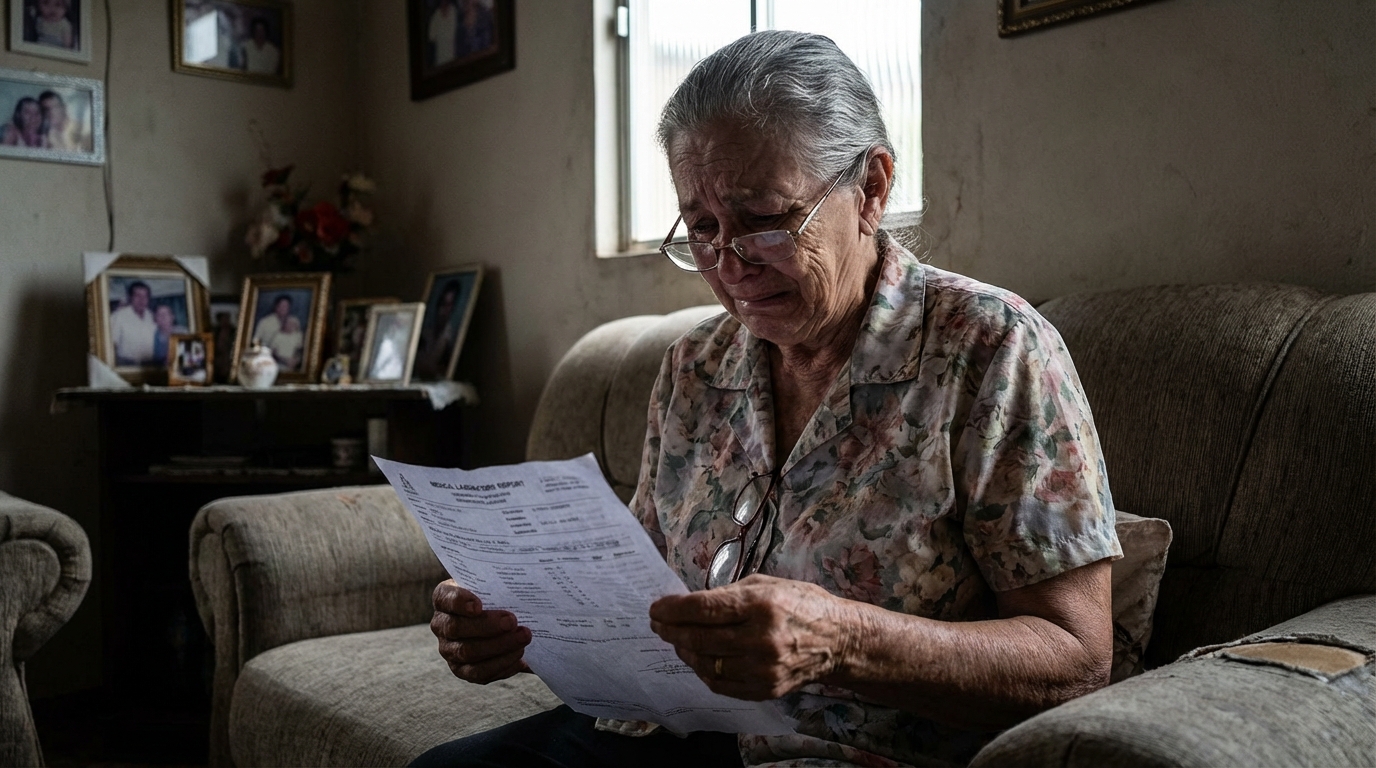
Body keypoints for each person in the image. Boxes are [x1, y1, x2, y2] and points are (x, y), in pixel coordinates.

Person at [418, 31, 1122, 768]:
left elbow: (1075, 662)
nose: (730, 265)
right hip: (660, 733)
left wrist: (841, 642)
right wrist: (523, 623)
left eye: (764, 219)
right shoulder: (695, 364)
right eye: (702, 228)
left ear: (872, 188)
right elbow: (639, 595)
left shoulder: (991, 348)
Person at [414, 280, 461, 380]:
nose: (444, 310)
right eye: (443, 304)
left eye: (449, 305)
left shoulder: (451, 338)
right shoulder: (425, 331)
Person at [110, 281, 157, 365]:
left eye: (145, 296)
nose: (141, 300)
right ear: (130, 297)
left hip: (150, 364)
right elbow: (111, 344)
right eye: (138, 296)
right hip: (126, 363)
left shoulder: (151, 316)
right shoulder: (118, 316)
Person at [253, 294, 304, 371]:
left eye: (287, 306)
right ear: (276, 307)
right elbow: (256, 343)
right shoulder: (265, 322)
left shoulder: (294, 321)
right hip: (267, 363)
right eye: (282, 306)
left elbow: (299, 346)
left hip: (291, 366)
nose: (284, 309)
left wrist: (296, 360)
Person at [428, 0, 459, 67]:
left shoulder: (454, 11)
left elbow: (457, 33)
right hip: (440, 57)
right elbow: (431, 37)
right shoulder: (436, 15)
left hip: (453, 56)